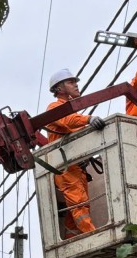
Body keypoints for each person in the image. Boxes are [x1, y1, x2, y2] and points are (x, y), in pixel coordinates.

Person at [44, 68, 106, 236]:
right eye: (71, 82)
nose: (76, 85)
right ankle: (92, 235)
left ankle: (73, 237)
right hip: (64, 167)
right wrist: (89, 119)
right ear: (59, 88)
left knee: (79, 205)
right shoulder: (54, 108)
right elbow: (67, 120)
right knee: (79, 204)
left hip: (75, 167)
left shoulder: (71, 111)